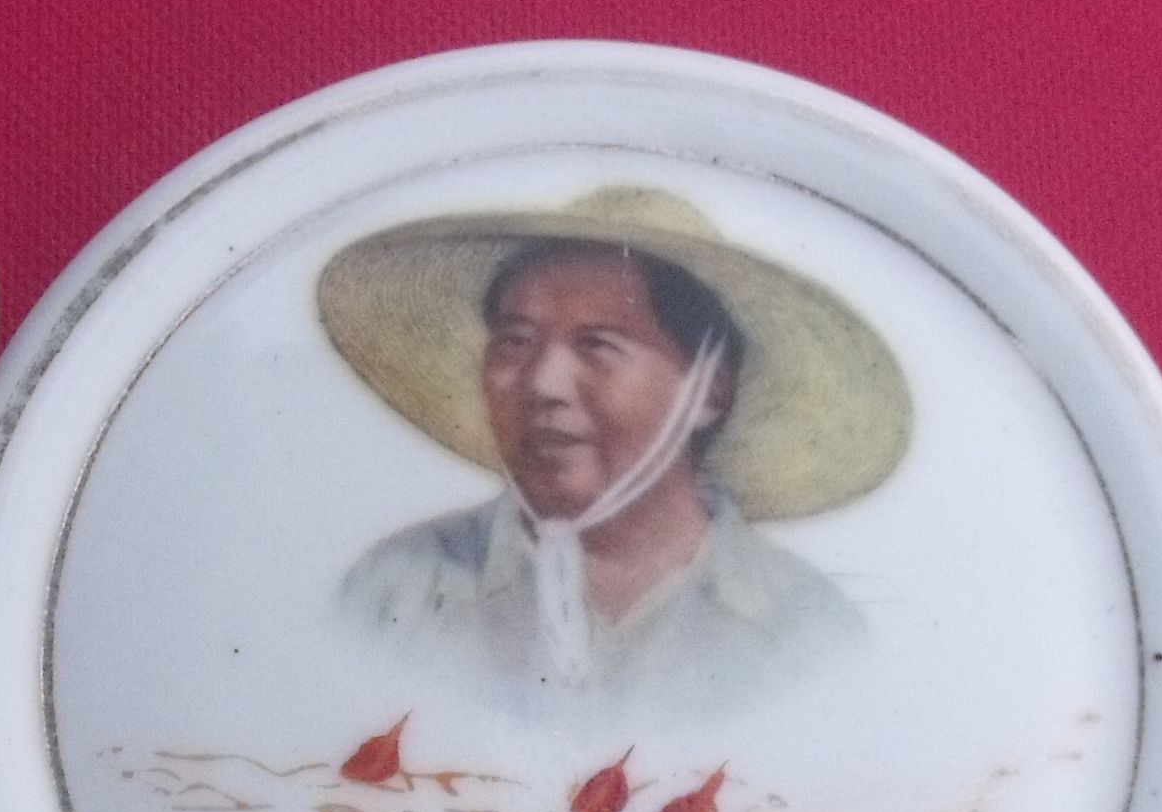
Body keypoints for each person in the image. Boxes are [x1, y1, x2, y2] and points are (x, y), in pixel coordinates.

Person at [318, 186, 912, 714]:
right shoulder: (395, 591)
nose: (544, 384)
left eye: (598, 346)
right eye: (515, 341)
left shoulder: (807, 631)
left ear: (710, 389)